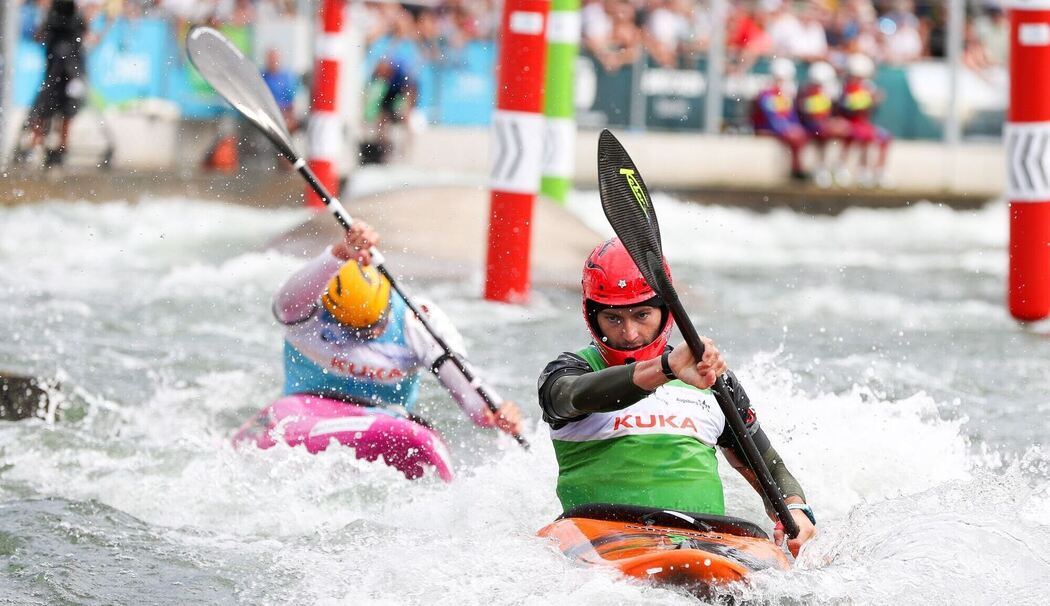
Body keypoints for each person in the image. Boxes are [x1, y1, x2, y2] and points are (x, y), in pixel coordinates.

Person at [537, 238, 817, 557]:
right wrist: (666, 368)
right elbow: (577, 396)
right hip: (602, 538)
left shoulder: (711, 379)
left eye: (641, 315)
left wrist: (797, 510)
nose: (629, 334)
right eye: (614, 319)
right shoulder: (567, 375)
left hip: (710, 544)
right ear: (592, 314)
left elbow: (769, 467)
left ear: (664, 311)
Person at [273, 221, 523, 471]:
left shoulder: (417, 321)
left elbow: (468, 390)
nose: (365, 336)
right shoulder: (306, 309)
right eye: (354, 331)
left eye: (373, 327)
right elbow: (284, 301)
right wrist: (340, 253)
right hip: (306, 412)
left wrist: (493, 411)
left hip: (386, 418)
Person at [14, 0, 89, 168]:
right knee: (43, 107)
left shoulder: (74, 18)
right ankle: (36, 144)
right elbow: (40, 35)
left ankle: (61, 147)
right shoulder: (53, 18)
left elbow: (82, 33)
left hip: (70, 72)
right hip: (55, 72)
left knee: (67, 110)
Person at [752, 57, 810, 182]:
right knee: (795, 137)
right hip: (766, 128)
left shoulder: (784, 95)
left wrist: (794, 127)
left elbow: (791, 116)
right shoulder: (766, 95)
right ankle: (797, 168)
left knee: (800, 134)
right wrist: (787, 129)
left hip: (781, 129)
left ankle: (798, 168)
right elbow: (771, 119)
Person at [838, 53, 892, 188]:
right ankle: (861, 170)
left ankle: (879, 171)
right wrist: (871, 100)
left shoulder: (866, 88)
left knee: (885, 137)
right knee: (864, 136)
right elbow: (848, 107)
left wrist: (873, 100)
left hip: (864, 124)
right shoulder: (846, 88)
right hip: (851, 124)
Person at [796, 61, 852, 188]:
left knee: (848, 131)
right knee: (824, 133)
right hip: (810, 125)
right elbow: (810, 115)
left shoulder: (828, 92)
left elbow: (835, 112)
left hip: (823, 124)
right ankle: (821, 166)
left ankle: (839, 165)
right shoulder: (806, 92)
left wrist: (835, 121)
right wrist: (829, 123)